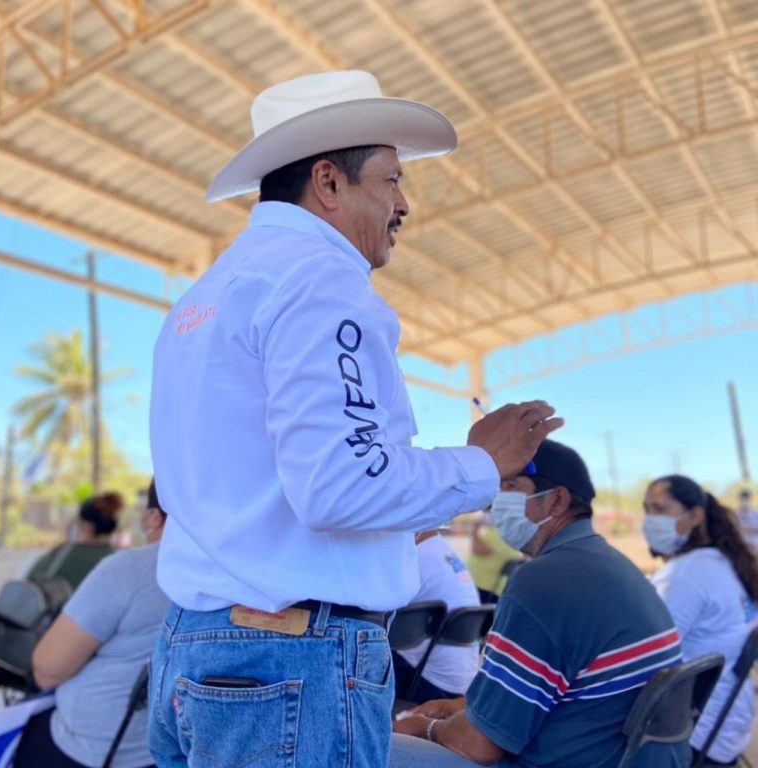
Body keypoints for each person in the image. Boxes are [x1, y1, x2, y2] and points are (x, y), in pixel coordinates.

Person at [148, 69, 563, 768]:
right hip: (290, 663)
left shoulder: (202, 301)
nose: (404, 204)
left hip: (199, 647)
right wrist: (483, 464)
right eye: (391, 181)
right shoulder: (320, 278)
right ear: (329, 184)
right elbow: (341, 487)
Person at [392, 440, 687, 768]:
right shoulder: (612, 566)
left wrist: (426, 729)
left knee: (364, 748)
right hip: (612, 754)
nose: (494, 502)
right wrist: (461, 707)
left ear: (557, 500)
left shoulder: (543, 579)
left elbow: (478, 746)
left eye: (511, 486)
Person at [13, 479, 168, 768]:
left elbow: (48, 669)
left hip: (91, 747)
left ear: (153, 518)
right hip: (170, 752)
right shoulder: (233, 574)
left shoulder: (127, 568)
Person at [642, 475, 758, 767]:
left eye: (660, 509)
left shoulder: (685, 574)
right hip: (728, 724)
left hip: (695, 735)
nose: (649, 520)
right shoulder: (723, 562)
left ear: (695, 515)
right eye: (647, 510)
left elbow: (646, 659)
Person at [0, 492, 124, 692]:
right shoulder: (119, 563)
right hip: (86, 664)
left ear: (84, 525)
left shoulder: (60, 554)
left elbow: (24, 592)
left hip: (32, 655)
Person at [393, 530, 481, 703]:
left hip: (426, 681)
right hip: (461, 681)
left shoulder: (417, 557)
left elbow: (377, 609)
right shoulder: (444, 551)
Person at [465, 513, 521, 604]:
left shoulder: (494, 536)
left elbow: (477, 548)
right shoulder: (515, 542)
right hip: (497, 589)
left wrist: (475, 529)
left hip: (481, 585)